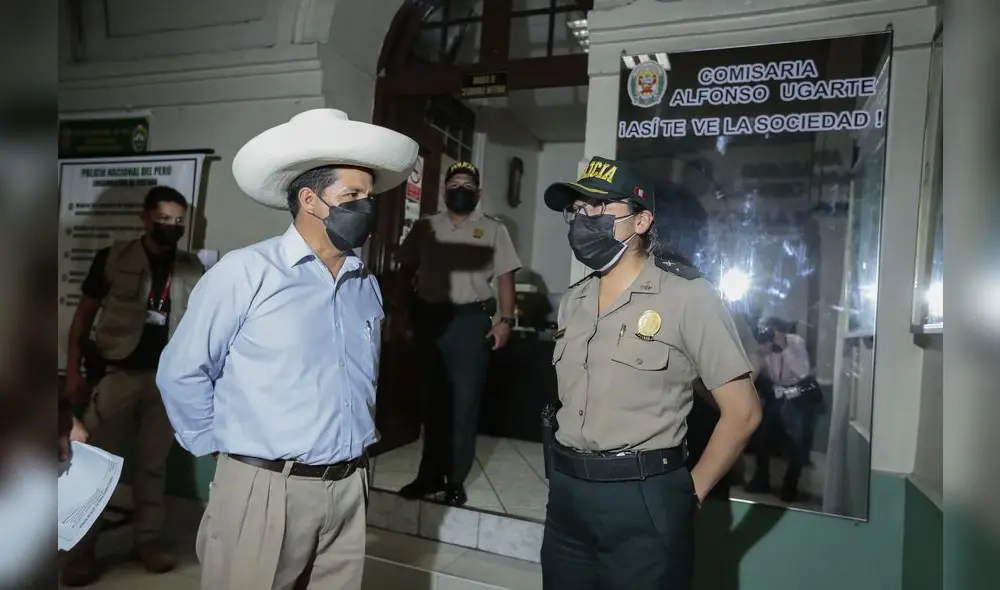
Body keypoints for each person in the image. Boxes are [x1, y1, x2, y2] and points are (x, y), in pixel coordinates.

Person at [156, 109, 418, 590]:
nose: (367, 207)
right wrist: (220, 448)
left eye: (370, 197)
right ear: (310, 200)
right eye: (352, 196)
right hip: (265, 490)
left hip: (349, 488)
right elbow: (182, 371)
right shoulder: (246, 273)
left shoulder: (365, 284)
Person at [539, 156, 762, 590]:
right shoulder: (574, 300)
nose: (584, 218)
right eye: (578, 209)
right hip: (566, 496)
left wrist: (690, 493)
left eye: (599, 207)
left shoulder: (687, 297)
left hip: (643, 498)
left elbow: (743, 412)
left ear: (641, 221)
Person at [61, 185, 203, 586]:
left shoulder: (190, 266)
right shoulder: (113, 257)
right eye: (163, 219)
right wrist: (73, 373)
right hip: (116, 375)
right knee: (94, 464)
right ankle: (81, 551)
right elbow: (83, 318)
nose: (171, 226)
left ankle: (147, 541)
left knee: (152, 466)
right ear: (145, 218)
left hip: (166, 382)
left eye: (178, 220)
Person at [395, 161, 522, 506]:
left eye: (467, 184)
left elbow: (506, 277)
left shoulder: (493, 229)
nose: (460, 189)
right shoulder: (425, 227)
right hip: (430, 322)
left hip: (470, 323)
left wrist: (506, 321)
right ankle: (429, 476)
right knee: (431, 403)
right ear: (444, 190)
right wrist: (402, 315)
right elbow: (405, 270)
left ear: (478, 192)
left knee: (464, 404)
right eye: (454, 184)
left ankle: (455, 480)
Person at [745, 316, 818, 503]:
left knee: (798, 440)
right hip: (777, 392)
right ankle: (761, 479)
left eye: (772, 331)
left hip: (799, 391)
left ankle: (790, 485)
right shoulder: (763, 346)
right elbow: (753, 374)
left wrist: (784, 346)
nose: (769, 335)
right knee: (762, 434)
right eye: (766, 331)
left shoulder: (795, 342)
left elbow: (803, 372)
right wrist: (759, 353)